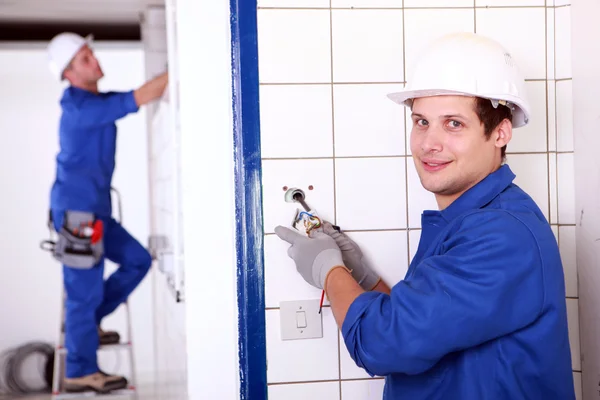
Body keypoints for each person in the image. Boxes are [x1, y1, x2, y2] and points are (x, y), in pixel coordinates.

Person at [275, 32, 575, 399]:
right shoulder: (467, 222)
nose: (429, 143)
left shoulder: (500, 235)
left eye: (453, 124)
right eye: (421, 122)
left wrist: (328, 269)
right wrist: (362, 275)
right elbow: (423, 332)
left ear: (500, 132)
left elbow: (384, 343)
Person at [45, 32, 168, 394]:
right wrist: (183, 64)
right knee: (82, 293)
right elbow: (142, 96)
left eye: (91, 53)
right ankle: (81, 369)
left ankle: (88, 322)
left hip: (95, 212)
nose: (94, 61)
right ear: (68, 73)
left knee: (138, 260)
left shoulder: (94, 101)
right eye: (84, 59)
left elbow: (141, 94)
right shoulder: (79, 107)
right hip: (78, 216)